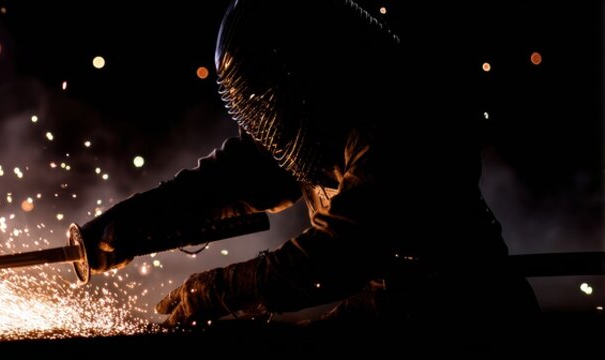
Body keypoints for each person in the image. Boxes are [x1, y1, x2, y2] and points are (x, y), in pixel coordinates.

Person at [80, 0, 539, 328]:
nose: (268, 123)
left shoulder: (399, 121)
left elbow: (341, 253)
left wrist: (221, 289)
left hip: (462, 317)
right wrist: (130, 225)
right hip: (396, 307)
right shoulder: (321, 120)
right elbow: (229, 180)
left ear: (308, 73)